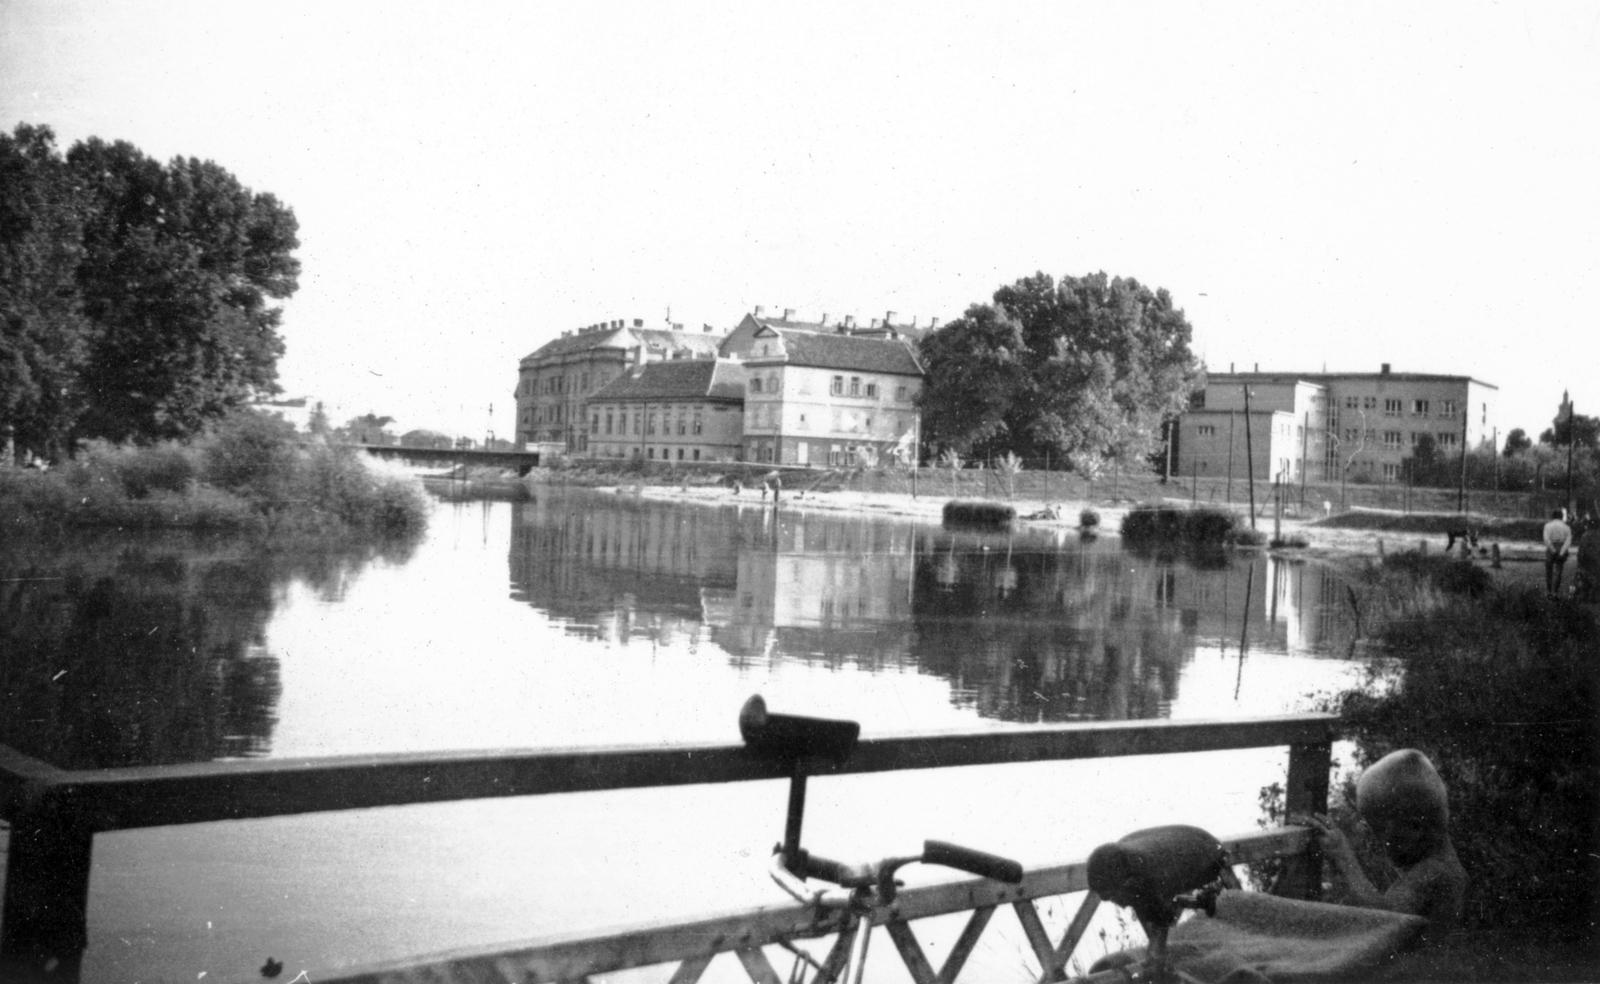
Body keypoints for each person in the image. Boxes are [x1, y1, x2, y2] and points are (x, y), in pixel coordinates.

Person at [1300, 749, 1467, 939]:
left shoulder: (1430, 874)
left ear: (1414, 827)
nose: (1375, 840)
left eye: (1378, 831)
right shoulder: (1444, 862)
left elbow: (1382, 917)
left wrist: (1344, 858)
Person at [1544, 509, 1573, 597]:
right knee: (1559, 571)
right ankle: (1555, 592)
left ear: (1552, 516)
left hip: (1551, 547)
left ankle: (1549, 591)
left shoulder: (1548, 526)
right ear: (1561, 516)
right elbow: (1568, 540)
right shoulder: (1566, 527)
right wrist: (1561, 552)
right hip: (1562, 547)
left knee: (1549, 570)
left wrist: (1552, 550)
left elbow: (1546, 539)